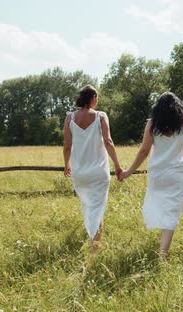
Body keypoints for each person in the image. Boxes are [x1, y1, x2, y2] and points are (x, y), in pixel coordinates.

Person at [118, 92, 183, 257]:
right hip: (177, 176)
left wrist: (128, 172)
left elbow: (144, 151)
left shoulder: (152, 124)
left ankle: (162, 247)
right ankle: (163, 253)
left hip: (157, 175)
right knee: (172, 212)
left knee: (161, 207)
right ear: (178, 107)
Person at [63, 85, 122, 246]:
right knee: (97, 208)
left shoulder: (70, 118)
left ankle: (92, 240)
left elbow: (67, 146)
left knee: (89, 207)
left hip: (80, 172)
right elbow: (108, 141)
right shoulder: (100, 116)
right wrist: (117, 164)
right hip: (98, 172)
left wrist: (66, 164)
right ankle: (95, 247)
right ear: (93, 98)